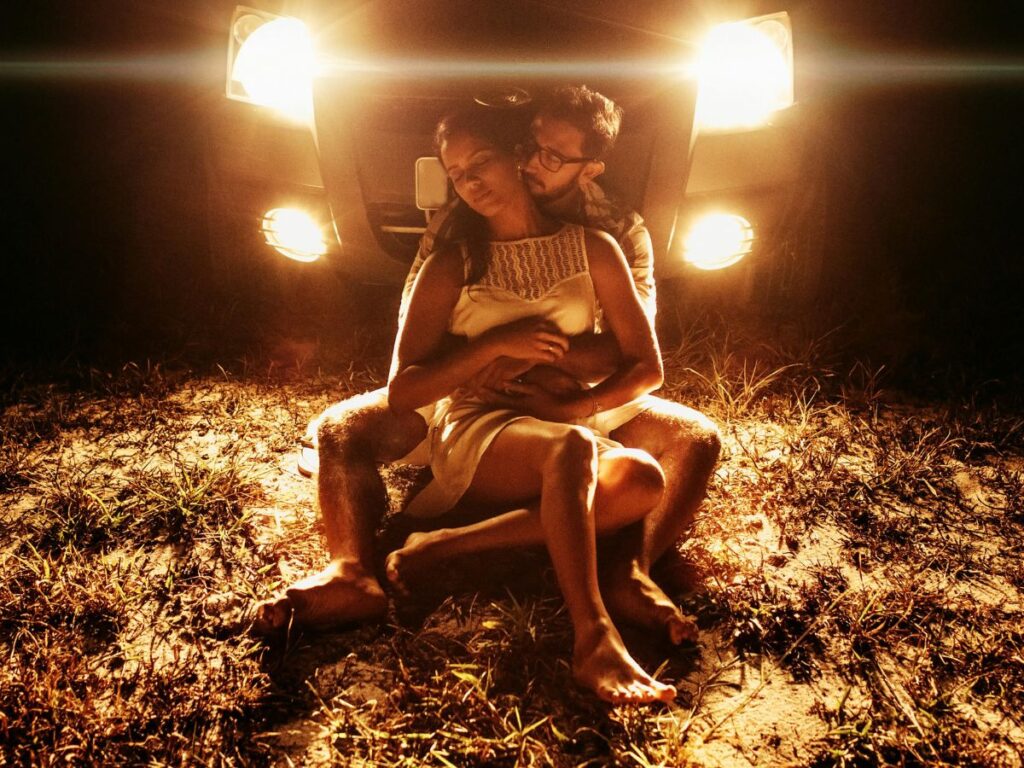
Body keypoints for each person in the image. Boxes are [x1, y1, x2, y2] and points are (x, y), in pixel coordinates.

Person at [253, 86, 720, 648]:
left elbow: (630, 351)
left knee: (694, 438)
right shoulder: (458, 235)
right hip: (474, 396)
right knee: (341, 427)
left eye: (551, 155)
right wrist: (491, 356)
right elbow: (418, 353)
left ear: (590, 166)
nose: (531, 161)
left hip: (580, 394)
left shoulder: (613, 231)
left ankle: (630, 569)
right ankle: (351, 569)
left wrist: (548, 370)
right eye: (530, 146)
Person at [384, 102, 673, 703]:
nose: (469, 182)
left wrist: (572, 407)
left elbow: (647, 367)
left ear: (518, 158)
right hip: (481, 432)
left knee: (643, 478)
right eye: (456, 171)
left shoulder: (595, 247)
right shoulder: (453, 261)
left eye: (481, 161)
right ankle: (594, 636)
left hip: (559, 425)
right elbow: (403, 391)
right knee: (571, 452)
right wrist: (494, 346)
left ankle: (441, 545)